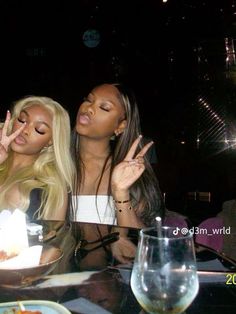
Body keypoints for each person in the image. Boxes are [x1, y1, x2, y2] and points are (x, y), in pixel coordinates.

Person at [70, 83, 165, 268]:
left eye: (104, 107)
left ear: (121, 126)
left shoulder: (129, 172)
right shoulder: (56, 164)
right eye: (88, 99)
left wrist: (120, 192)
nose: (88, 108)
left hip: (116, 280)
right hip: (62, 280)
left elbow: (143, 247)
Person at [0, 96, 75, 221]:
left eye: (39, 130)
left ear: (50, 141)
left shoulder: (52, 186)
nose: (24, 130)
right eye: (22, 120)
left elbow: (54, 238)